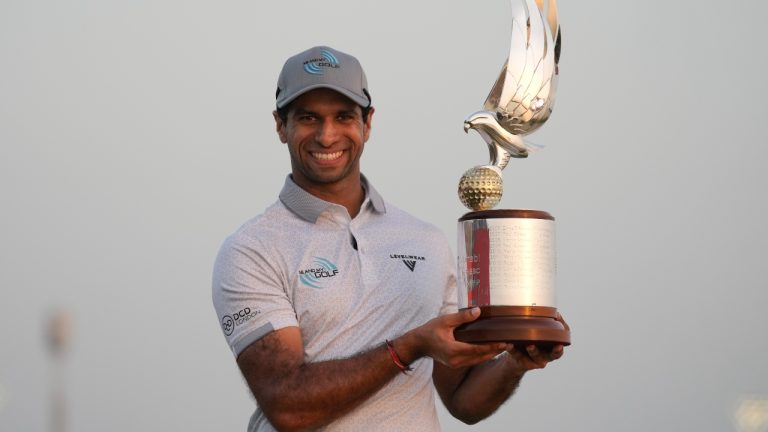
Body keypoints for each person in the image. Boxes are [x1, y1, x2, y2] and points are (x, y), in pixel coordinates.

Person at [212, 45, 567, 432]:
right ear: (281, 125)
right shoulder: (251, 250)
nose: (327, 136)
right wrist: (410, 346)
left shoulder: (425, 241)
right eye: (309, 118)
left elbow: (463, 400)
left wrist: (516, 361)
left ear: (367, 123)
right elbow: (288, 407)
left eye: (344, 117)